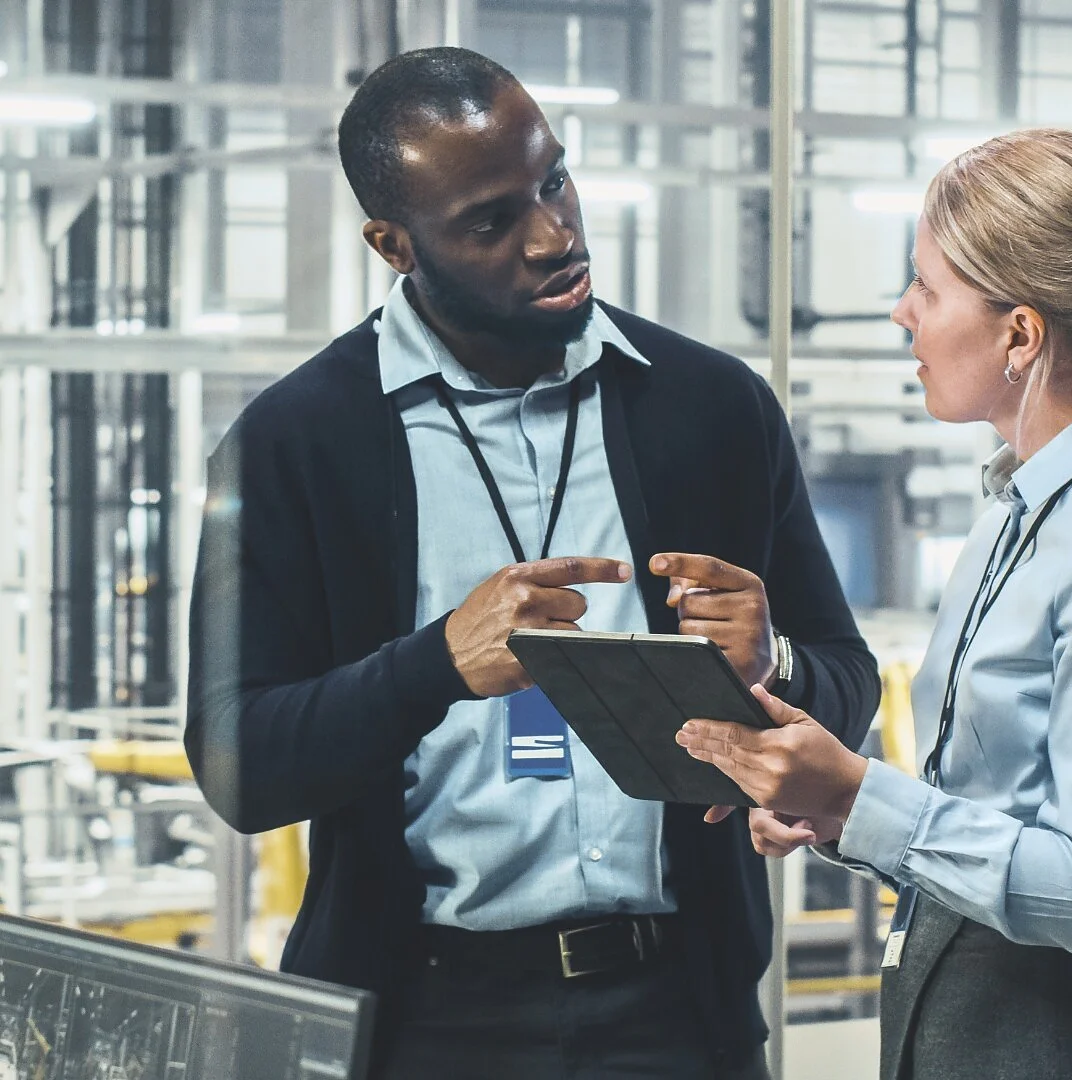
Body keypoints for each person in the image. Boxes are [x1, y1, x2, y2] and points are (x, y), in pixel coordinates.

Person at [183, 46, 879, 1080]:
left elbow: (849, 684)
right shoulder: (295, 445)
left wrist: (779, 670)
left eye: (554, 178)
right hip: (422, 1022)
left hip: (680, 1015)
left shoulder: (714, 410)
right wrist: (437, 666)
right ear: (394, 244)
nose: (554, 235)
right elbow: (239, 762)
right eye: (491, 221)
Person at [676, 127, 1072, 1080]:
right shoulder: (1023, 515)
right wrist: (835, 810)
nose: (900, 313)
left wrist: (859, 792)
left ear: (1021, 333)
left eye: (925, 286)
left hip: (1055, 1040)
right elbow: (990, 819)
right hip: (957, 1016)